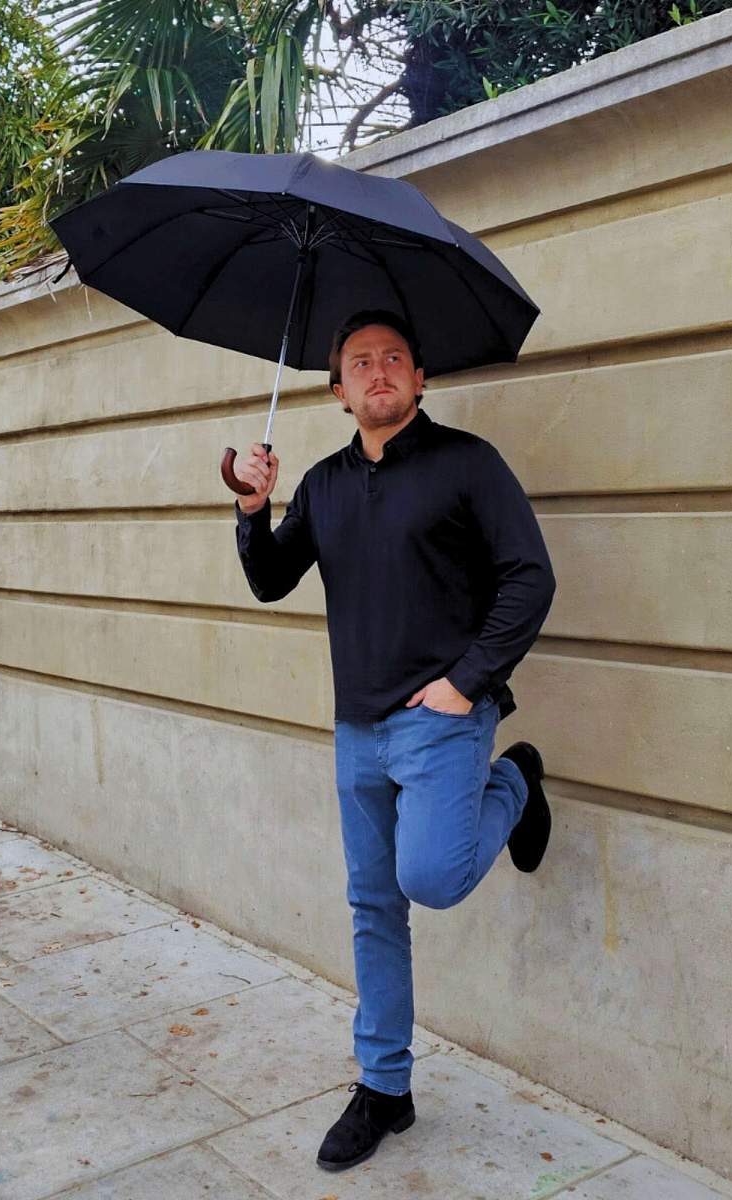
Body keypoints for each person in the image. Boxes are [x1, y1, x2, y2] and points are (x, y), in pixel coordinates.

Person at [232, 308, 557, 1174]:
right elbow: (270, 579)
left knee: (432, 878)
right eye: (360, 362)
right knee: (374, 907)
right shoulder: (325, 485)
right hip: (357, 728)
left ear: (420, 378)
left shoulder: (468, 465)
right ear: (338, 391)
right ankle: (385, 1087)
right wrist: (253, 508)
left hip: (442, 717)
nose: (378, 371)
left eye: (394, 358)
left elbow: (530, 578)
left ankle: (516, 780)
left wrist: (468, 681)